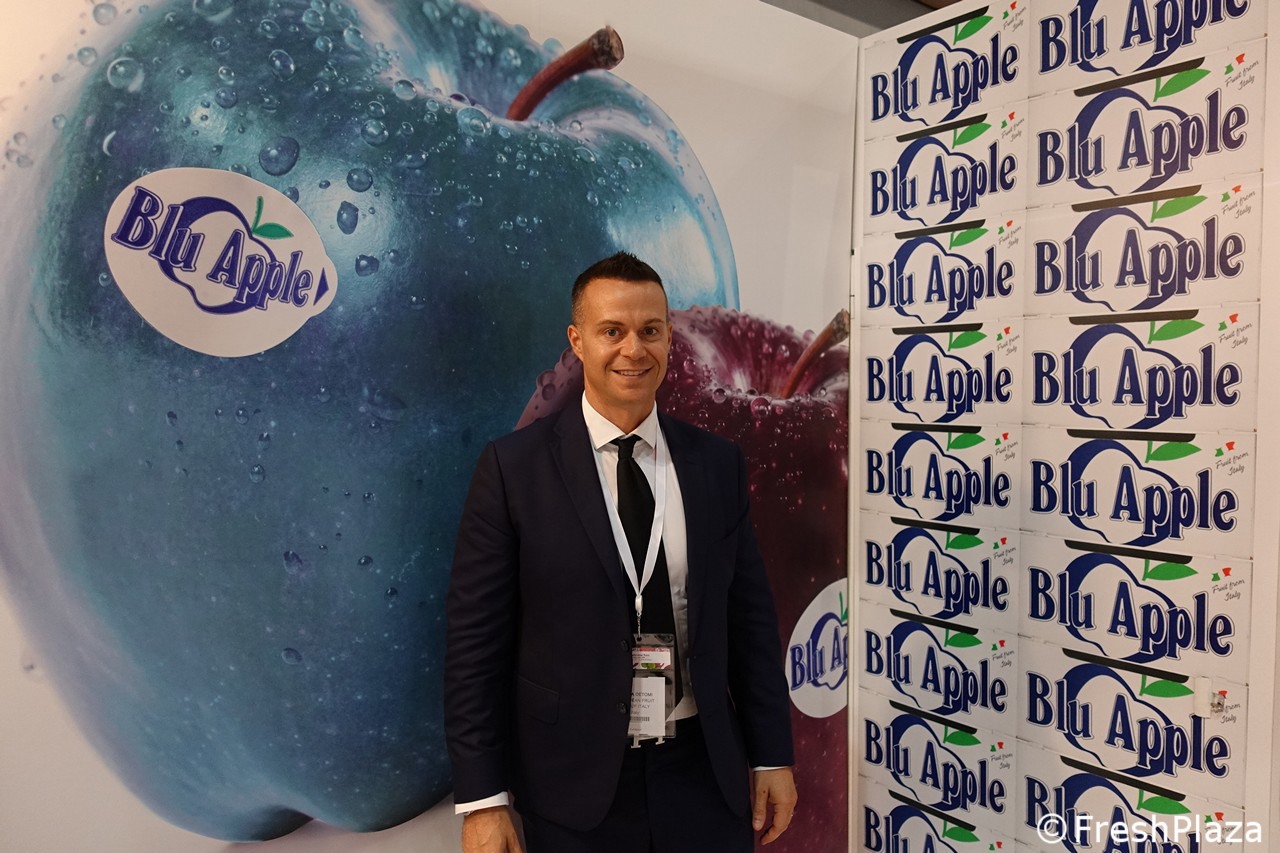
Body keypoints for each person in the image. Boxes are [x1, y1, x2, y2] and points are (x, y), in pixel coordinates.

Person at [444, 252, 796, 853]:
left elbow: (751, 624)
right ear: (577, 341)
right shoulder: (513, 469)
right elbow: (474, 644)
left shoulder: (716, 465)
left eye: (650, 330)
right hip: (572, 788)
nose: (634, 349)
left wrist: (771, 755)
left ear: (669, 339)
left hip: (703, 775)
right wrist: (482, 800)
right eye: (612, 331)